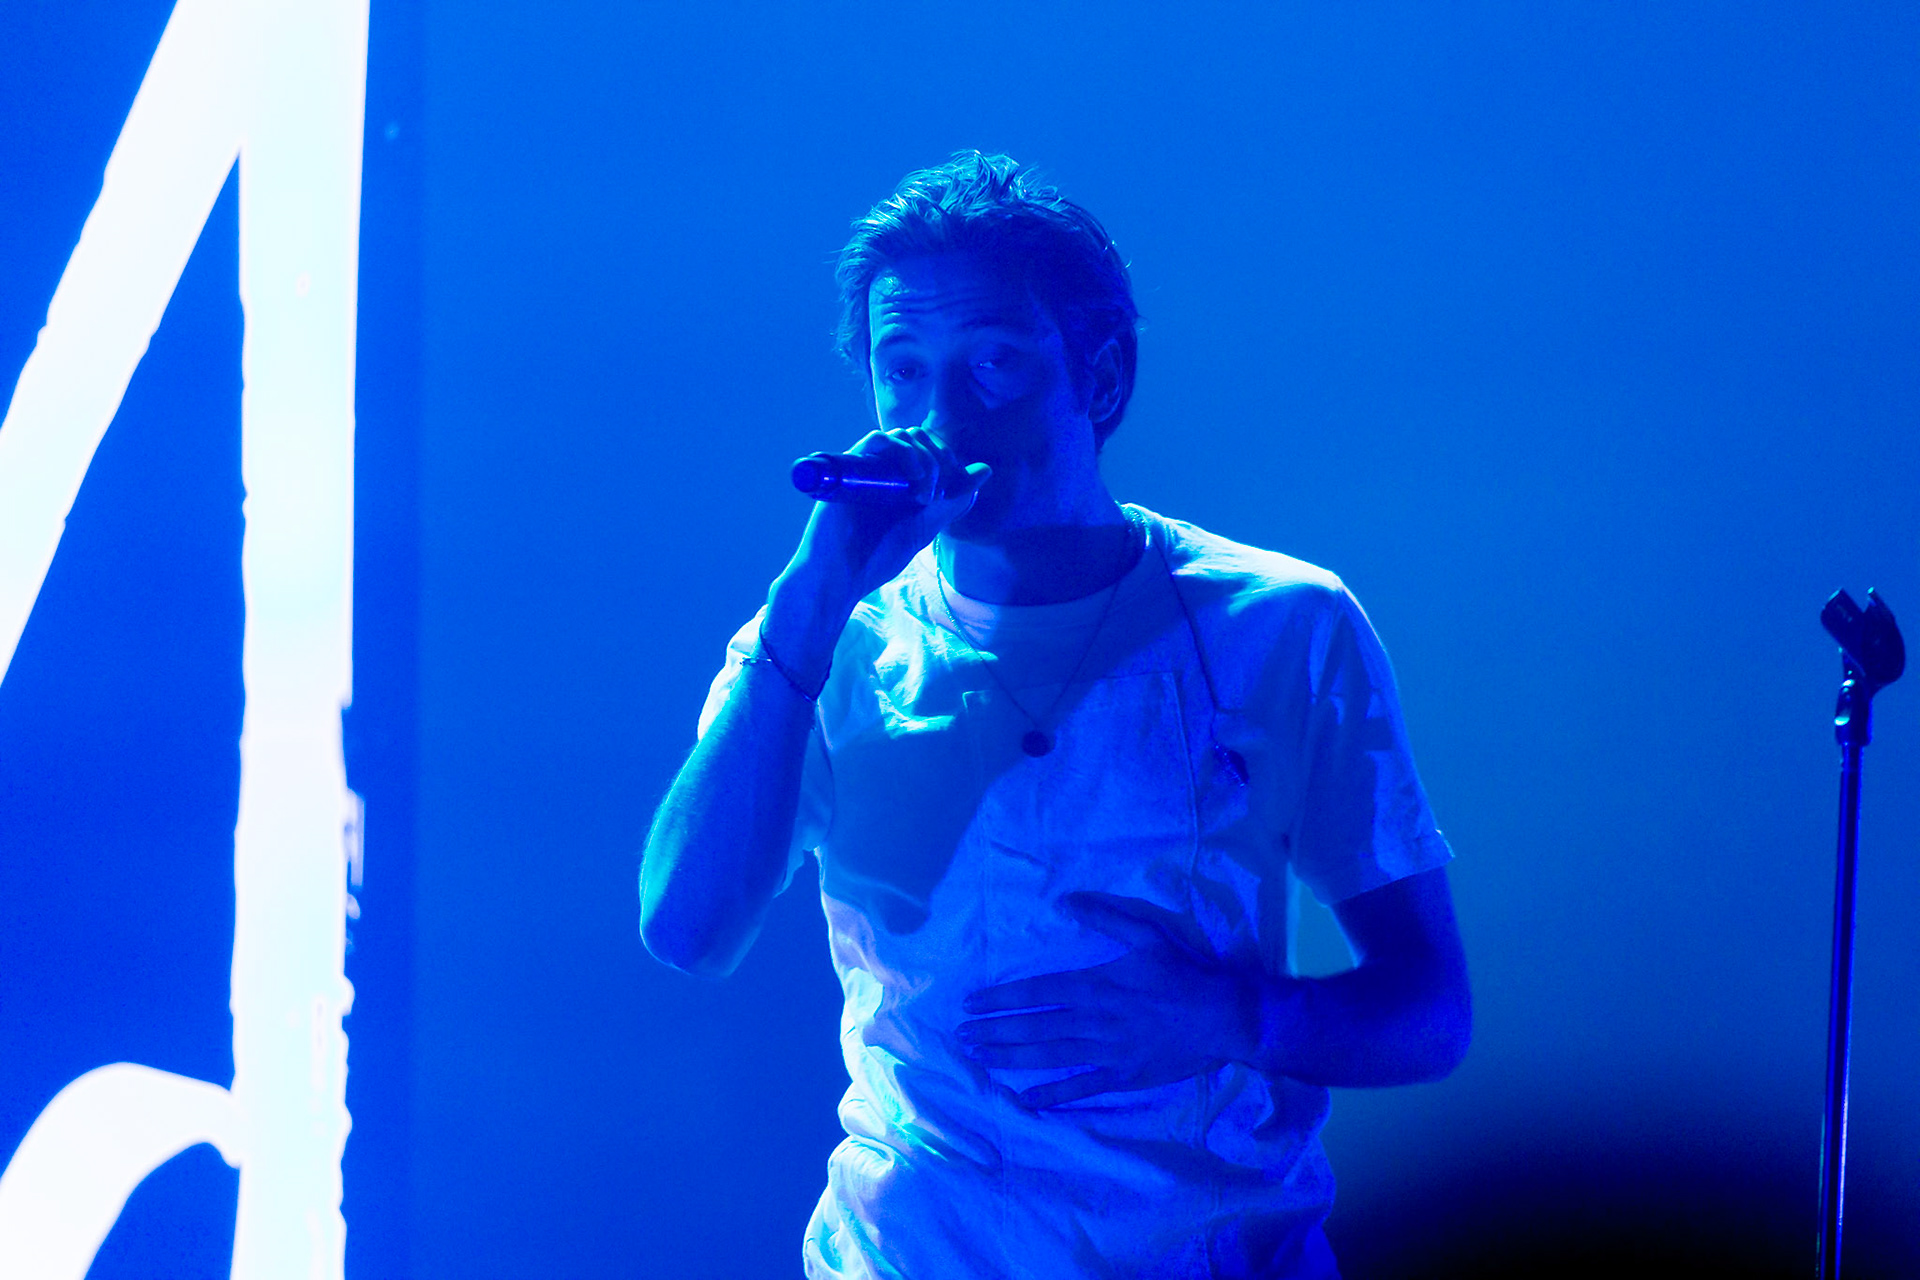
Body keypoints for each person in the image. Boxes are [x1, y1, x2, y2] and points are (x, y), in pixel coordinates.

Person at [639, 152, 1470, 1279]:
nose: (942, 416)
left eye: (995, 362)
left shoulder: (1280, 622)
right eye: (903, 369)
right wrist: (810, 602)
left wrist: (1233, 1016)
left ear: (1104, 378)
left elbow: (1429, 1011)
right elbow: (686, 929)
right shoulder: (822, 643)